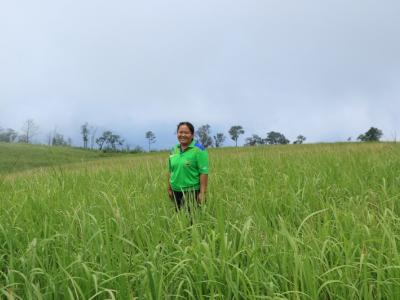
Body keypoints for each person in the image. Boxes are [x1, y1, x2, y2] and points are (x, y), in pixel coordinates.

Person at [167, 122, 209, 211]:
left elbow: (203, 172)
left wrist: (202, 193)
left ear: (192, 135)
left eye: (186, 133)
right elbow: (171, 170)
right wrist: (169, 188)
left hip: (191, 192)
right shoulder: (174, 149)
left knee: (192, 220)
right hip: (176, 191)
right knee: (179, 218)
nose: (183, 135)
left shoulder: (199, 149)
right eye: (180, 132)